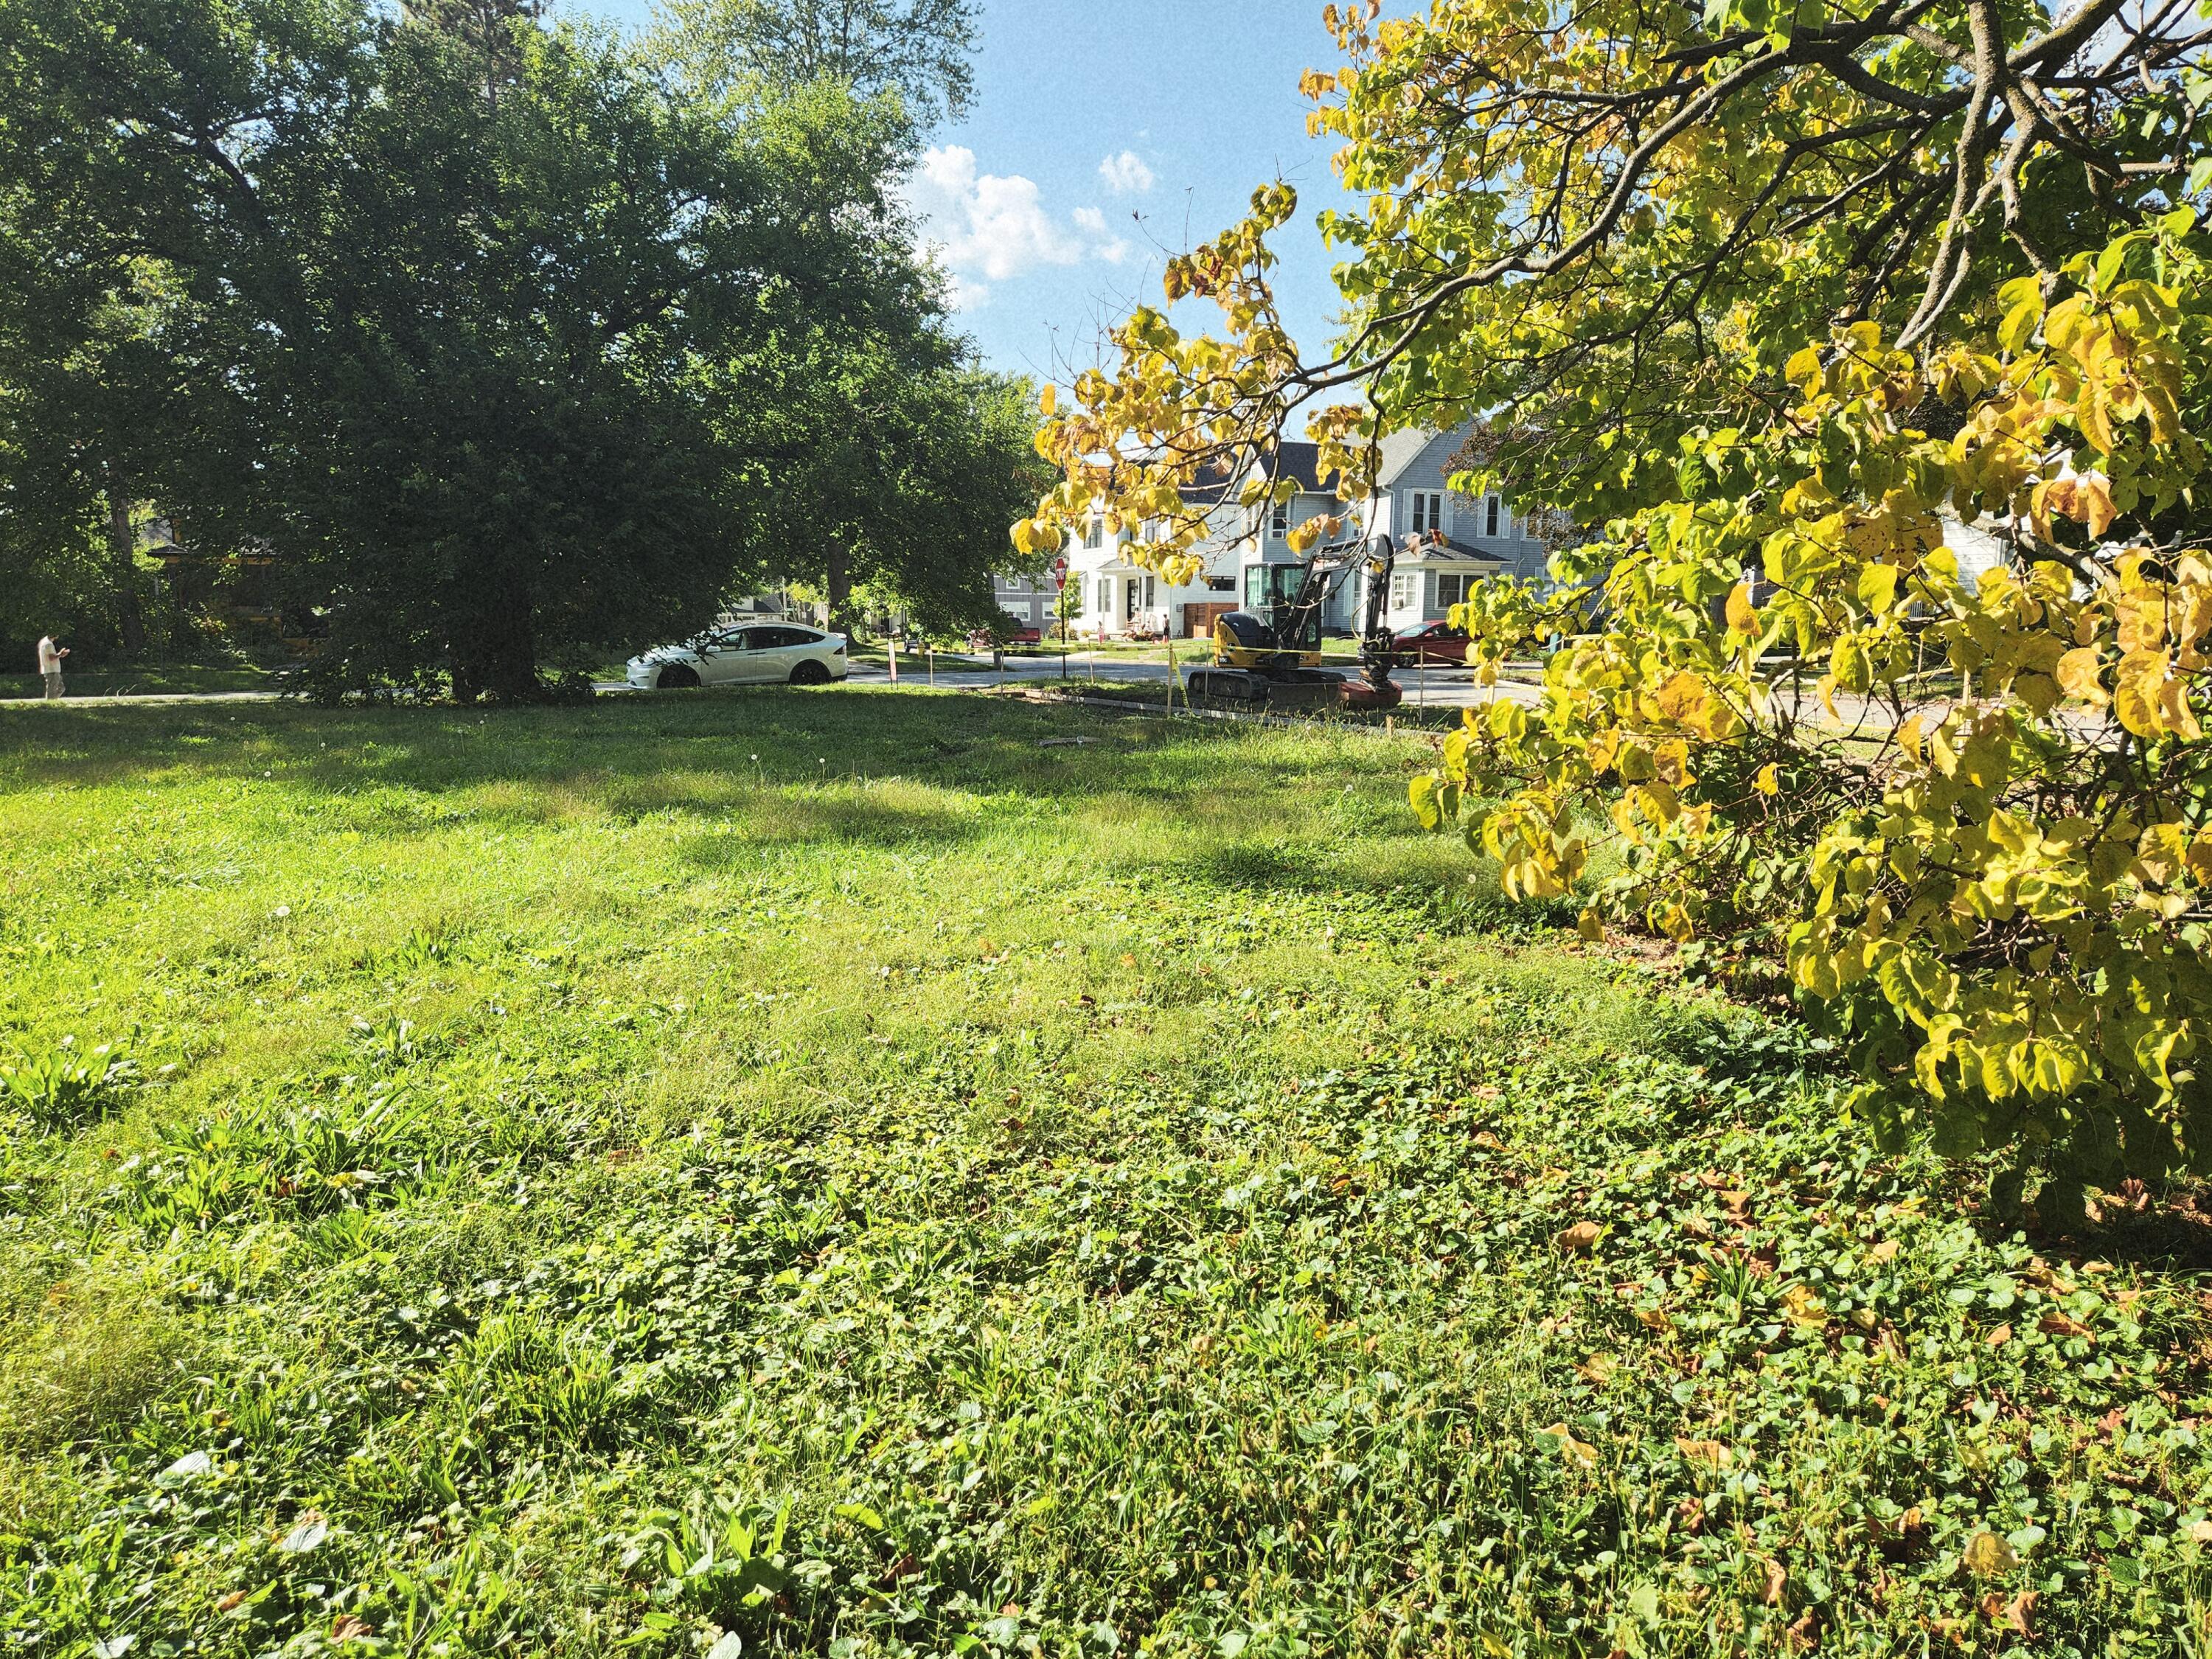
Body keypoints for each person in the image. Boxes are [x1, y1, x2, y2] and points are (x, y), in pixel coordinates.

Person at [36, 632, 68, 700]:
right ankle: (50, 703)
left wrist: (60, 654)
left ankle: (52, 701)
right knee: (52, 689)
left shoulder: (44, 642)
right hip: (52, 670)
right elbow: (51, 658)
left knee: (61, 688)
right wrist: (61, 654)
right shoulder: (48, 644)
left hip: (52, 669)